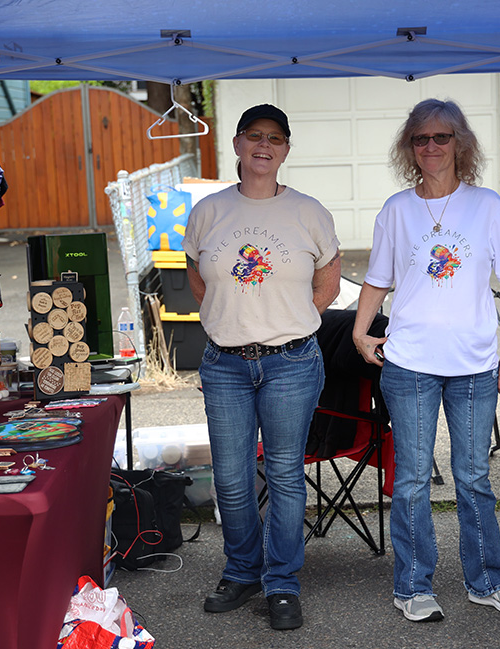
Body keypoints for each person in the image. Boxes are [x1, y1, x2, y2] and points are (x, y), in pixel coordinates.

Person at [352, 98, 500, 622]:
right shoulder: (396, 210)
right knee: (410, 479)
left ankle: (489, 581)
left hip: (475, 363)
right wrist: (361, 331)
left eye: (442, 137)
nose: (431, 147)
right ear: (410, 148)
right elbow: (378, 279)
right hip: (408, 364)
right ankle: (412, 586)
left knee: (474, 476)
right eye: (420, 139)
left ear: (461, 143)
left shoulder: (487, 206)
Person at [183, 104, 341, 631]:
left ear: (286, 149)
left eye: (275, 138)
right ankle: (242, 570)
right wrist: (233, 320)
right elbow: (198, 277)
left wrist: (288, 322)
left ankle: (282, 582)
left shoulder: (309, 212)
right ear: (237, 143)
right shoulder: (207, 211)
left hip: (291, 362)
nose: (264, 146)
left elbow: (329, 283)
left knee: (284, 474)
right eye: (255, 136)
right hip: (225, 365)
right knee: (230, 480)